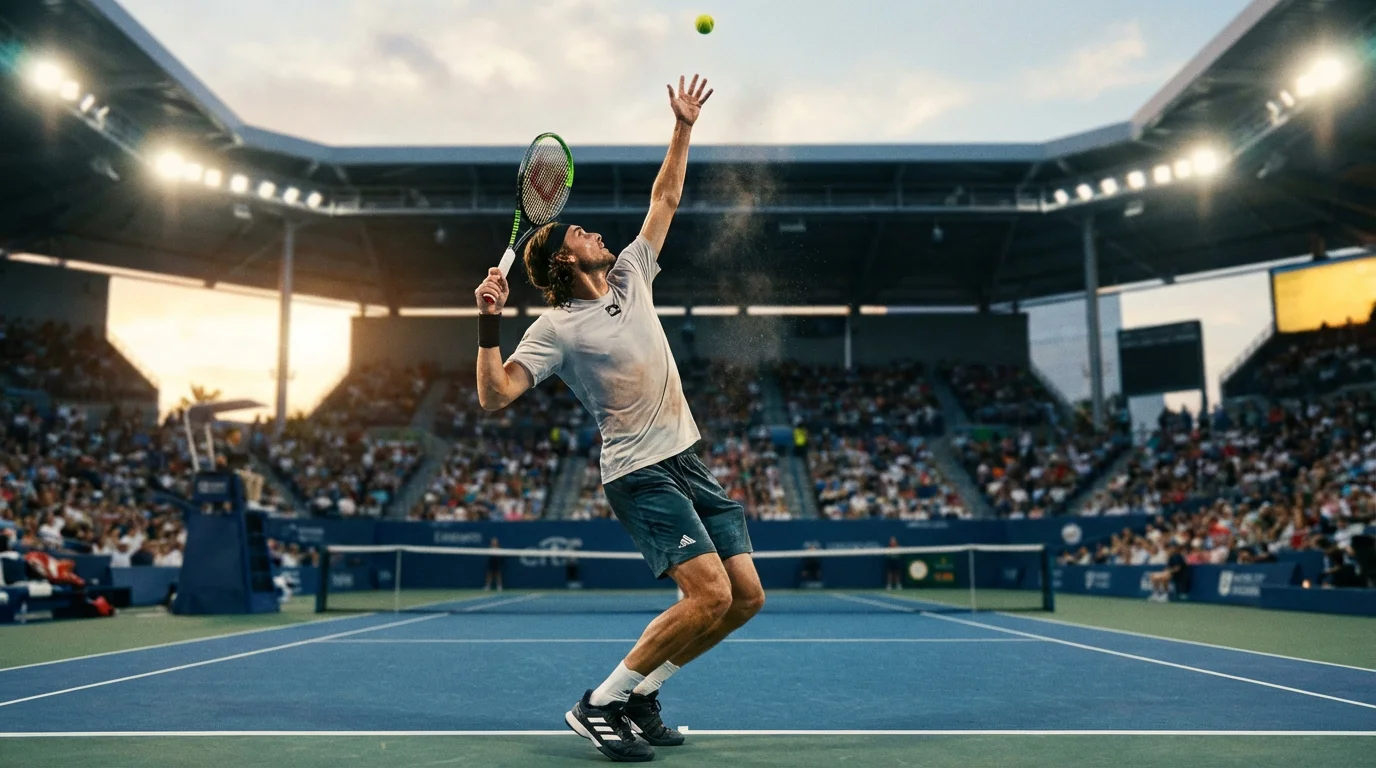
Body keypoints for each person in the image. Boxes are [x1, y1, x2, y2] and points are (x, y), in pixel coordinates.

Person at [475, 74, 764, 764]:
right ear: (565, 259)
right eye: (580, 230)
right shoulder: (555, 327)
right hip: (638, 472)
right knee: (708, 593)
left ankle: (643, 694)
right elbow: (496, 395)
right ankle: (600, 703)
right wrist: (487, 323)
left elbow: (665, 196)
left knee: (745, 597)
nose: (595, 229)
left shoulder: (634, 272)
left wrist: (684, 126)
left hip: (686, 459)